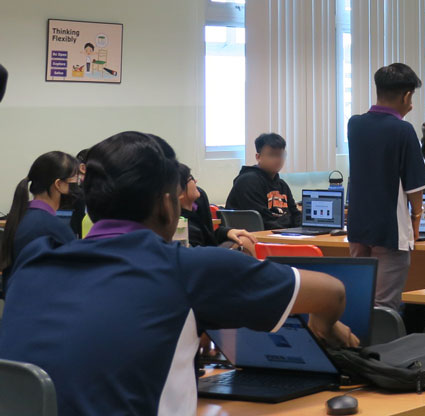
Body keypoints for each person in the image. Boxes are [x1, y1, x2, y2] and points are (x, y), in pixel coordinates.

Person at [0, 131, 358, 416]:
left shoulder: (35, 261)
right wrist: (325, 326)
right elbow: (332, 293)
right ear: (167, 203)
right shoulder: (186, 268)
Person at [347, 63, 425, 310]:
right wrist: (416, 219)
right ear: (406, 96)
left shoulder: (354, 124)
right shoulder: (403, 130)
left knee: (359, 301)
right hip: (390, 230)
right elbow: (414, 186)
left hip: (358, 225)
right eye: (411, 97)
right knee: (384, 306)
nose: (411, 105)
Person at [0, 151, 79, 295]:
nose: (78, 187)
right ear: (58, 184)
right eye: (74, 181)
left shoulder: (20, 216)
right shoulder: (51, 226)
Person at [225, 132, 300, 230]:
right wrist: (289, 229)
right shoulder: (248, 182)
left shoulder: (282, 185)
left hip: (284, 233)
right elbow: (262, 221)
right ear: (258, 157)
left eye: (281, 155)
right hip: (257, 235)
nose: (278, 159)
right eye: (272, 155)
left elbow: (295, 214)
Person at [178, 164, 256, 251]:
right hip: (199, 256)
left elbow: (208, 238)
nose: (196, 181)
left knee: (245, 239)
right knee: (244, 243)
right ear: (179, 191)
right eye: (191, 178)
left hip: (206, 252)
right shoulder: (178, 225)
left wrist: (227, 232)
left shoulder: (199, 200)